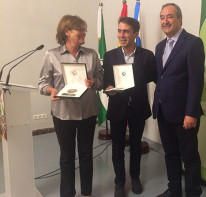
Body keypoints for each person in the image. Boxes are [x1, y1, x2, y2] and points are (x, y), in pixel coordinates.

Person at [38, 15, 104, 197]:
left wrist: (94, 82)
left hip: (88, 112)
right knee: (66, 157)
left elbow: (101, 80)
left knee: (86, 154)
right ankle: (67, 193)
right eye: (80, 30)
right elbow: (42, 84)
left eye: (85, 30)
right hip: (63, 114)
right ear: (67, 32)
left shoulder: (91, 54)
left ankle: (87, 192)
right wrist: (51, 90)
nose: (84, 33)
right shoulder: (51, 55)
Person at [152, 3, 205, 197]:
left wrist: (191, 112)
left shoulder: (193, 43)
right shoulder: (159, 47)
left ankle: (193, 193)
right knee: (170, 155)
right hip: (163, 111)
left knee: (189, 158)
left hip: (185, 115)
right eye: (162, 17)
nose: (165, 21)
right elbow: (161, 77)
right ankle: (174, 190)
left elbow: (196, 81)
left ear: (180, 19)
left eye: (170, 17)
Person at [103, 17, 156, 197]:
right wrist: (108, 89)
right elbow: (106, 82)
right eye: (119, 31)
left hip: (138, 108)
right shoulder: (110, 55)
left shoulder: (147, 56)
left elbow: (155, 77)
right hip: (117, 108)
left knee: (135, 145)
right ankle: (119, 182)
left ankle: (135, 176)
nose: (121, 35)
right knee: (117, 147)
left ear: (135, 34)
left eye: (126, 31)